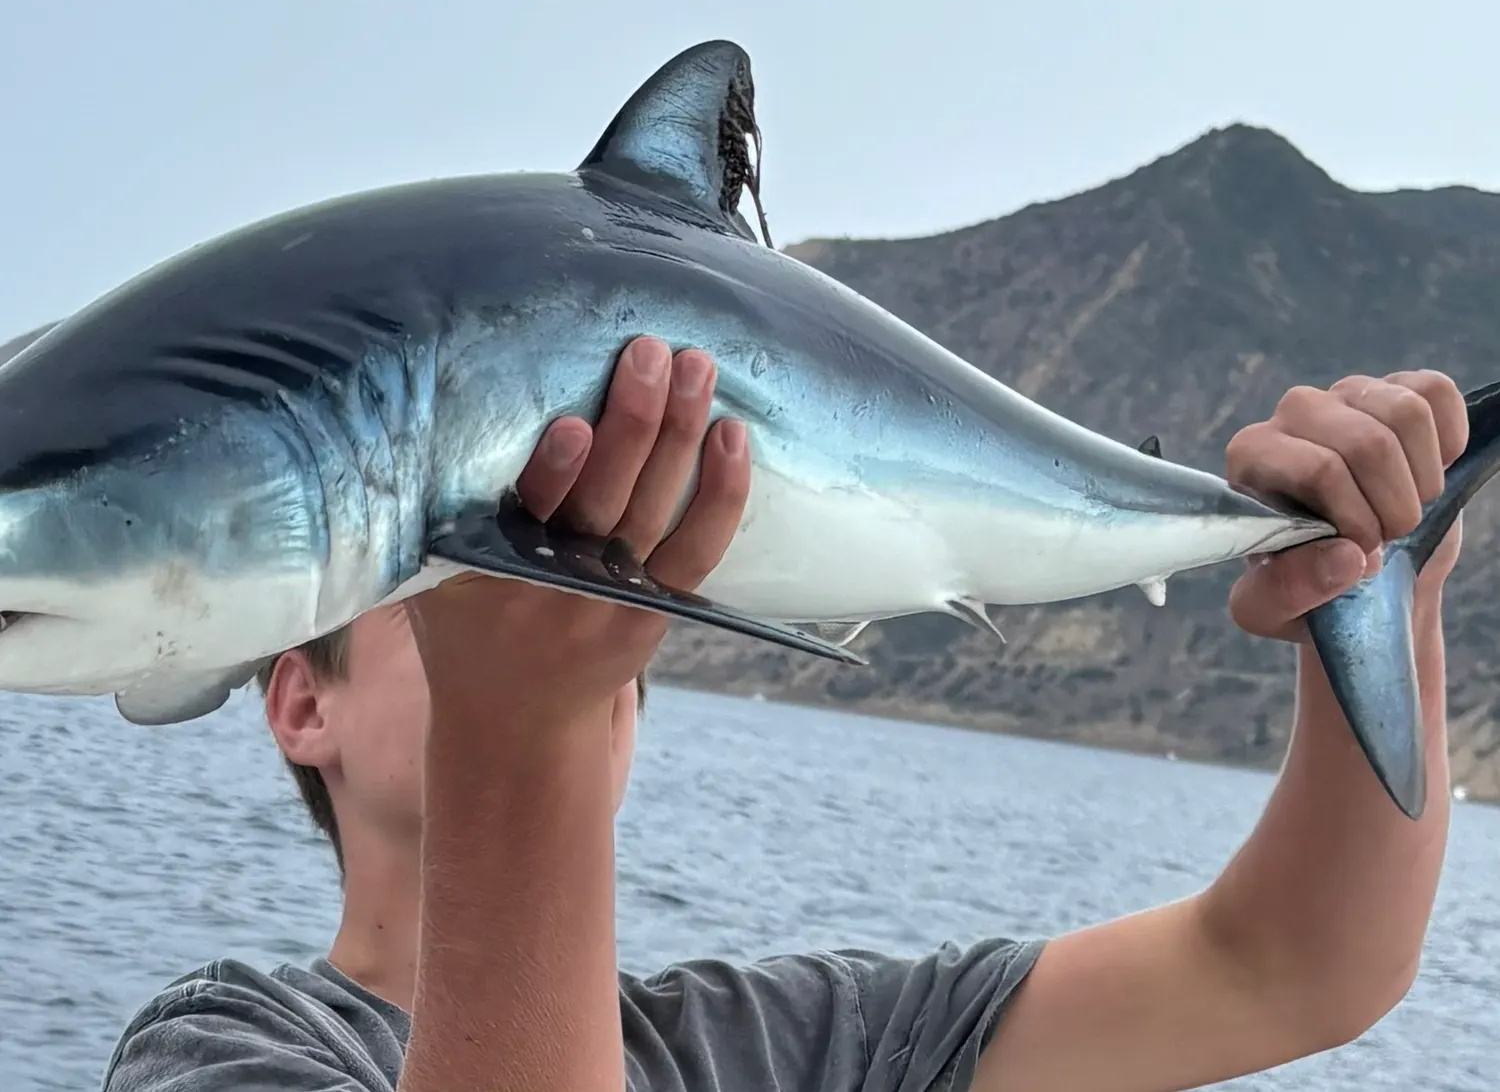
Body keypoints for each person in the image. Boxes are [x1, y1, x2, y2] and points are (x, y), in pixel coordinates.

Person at [102, 336, 1466, 1092]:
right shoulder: (214, 1054)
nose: (560, 600)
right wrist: (520, 738)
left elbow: (1290, 969)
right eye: (452, 581)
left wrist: (1379, 582)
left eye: (610, 580)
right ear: (301, 702)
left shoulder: (793, 1044)